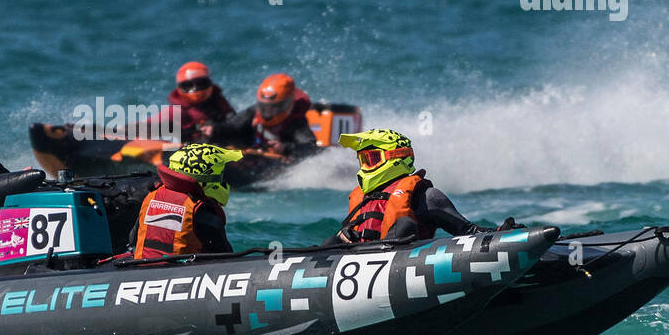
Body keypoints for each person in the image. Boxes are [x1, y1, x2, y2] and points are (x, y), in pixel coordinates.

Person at [328, 129, 500, 244]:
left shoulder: (427, 196)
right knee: (333, 240)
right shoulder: (363, 197)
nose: (365, 166)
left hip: (401, 265)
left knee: (404, 224)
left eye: (372, 159)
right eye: (362, 160)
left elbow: (467, 230)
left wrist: (501, 233)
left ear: (395, 159)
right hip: (357, 266)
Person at [126, 143, 243, 259]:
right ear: (204, 179)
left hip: (141, 268)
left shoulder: (152, 196)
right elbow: (226, 257)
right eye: (220, 175)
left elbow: (133, 239)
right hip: (182, 274)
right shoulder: (203, 213)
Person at [210, 73, 317, 157]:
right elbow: (234, 125)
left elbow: (311, 148)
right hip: (251, 149)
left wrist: (285, 148)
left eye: (275, 107)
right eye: (264, 106)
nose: (267, 111)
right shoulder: (254, 111)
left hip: (275, 163)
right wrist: (214, 130)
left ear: (288, 103)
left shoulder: (297, 121)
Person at [167, 61, 235, 142]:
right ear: (180, 88)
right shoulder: (175, 111)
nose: (195, 89)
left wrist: (217, 129)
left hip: (222, 145)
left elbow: (234, 123)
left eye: (201, 83)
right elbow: (150, 128)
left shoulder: (219, 100)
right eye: (188, 86)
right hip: (190, 149)